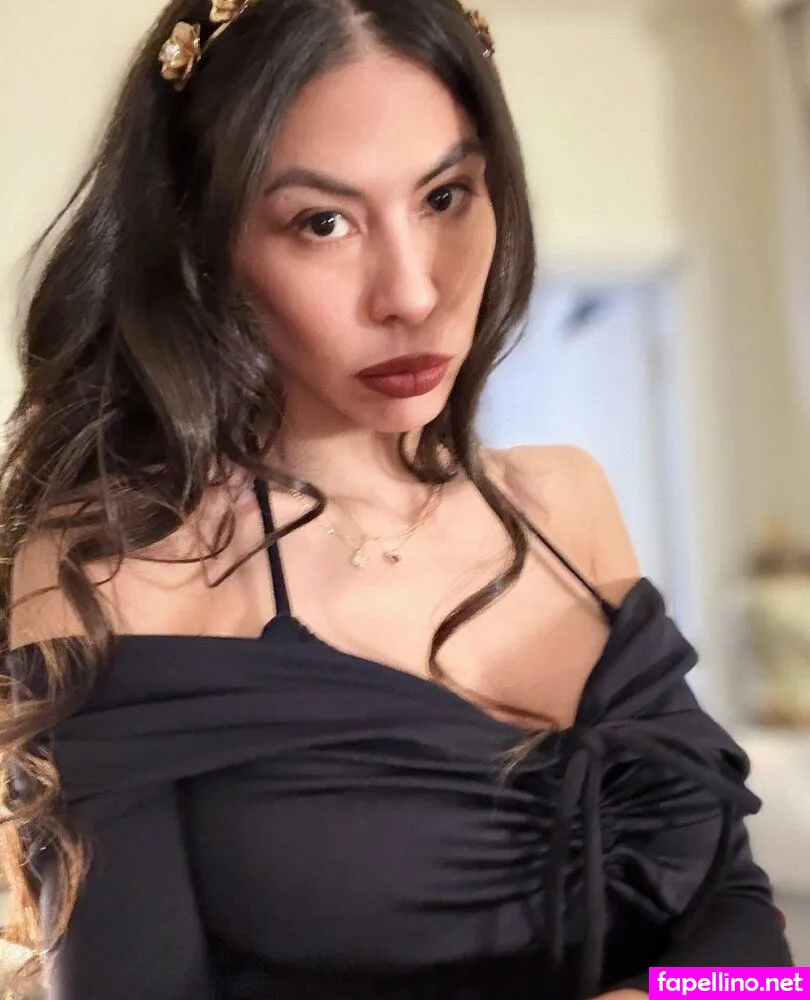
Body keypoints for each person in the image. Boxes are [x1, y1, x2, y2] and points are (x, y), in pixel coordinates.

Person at [0, 0, 793, 998]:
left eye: (446, 196)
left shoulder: (567, 503)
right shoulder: (120, 570)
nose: (413, 292)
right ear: (203, 242)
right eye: (322, 222)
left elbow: (756, 952)